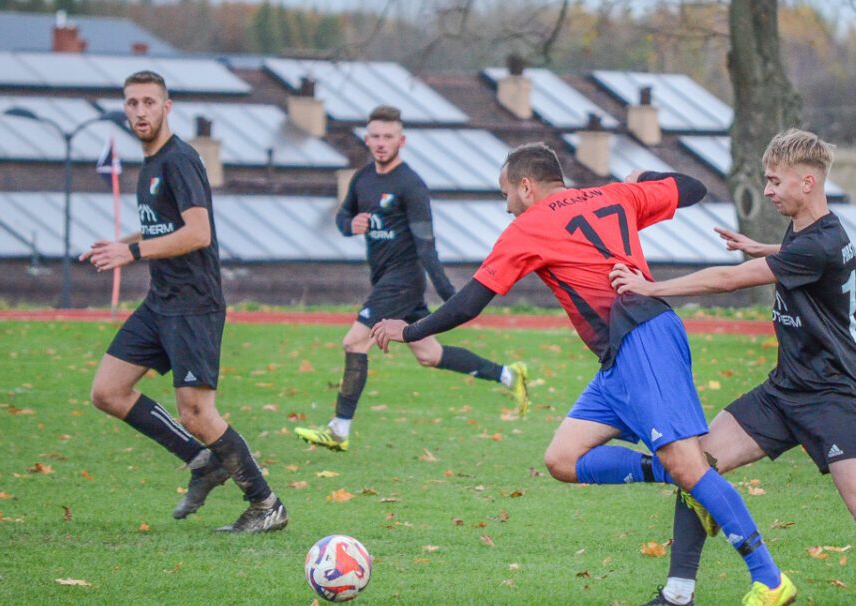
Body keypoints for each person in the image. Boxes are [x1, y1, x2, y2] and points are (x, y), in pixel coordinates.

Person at [371, 142, 796, 606]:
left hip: (642, 339)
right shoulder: (616, 194)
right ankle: (680, 479)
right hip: (621, 353)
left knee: (689, 466)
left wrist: (410, 330)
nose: (506, 206)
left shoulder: (529, 225)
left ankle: (769, 579)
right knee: (563, 459)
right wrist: (643, 178)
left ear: (526, 186)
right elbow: (693, 188)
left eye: (506, 193)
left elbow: (471, 301)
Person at [609, 128, 856, 606]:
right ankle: (677, 596)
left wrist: (650, 288)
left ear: (808, 182)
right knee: (695, 467)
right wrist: (763, 247)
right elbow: (799, 258)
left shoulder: (817, 244)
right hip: (783, 390)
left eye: (776, 182)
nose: (768, 191)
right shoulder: (811, 232)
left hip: (830, 396)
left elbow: (729, 281)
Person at [80, 70, 287, 533]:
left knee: (197, 413)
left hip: (194, 304)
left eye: (149, 102)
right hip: (160, 302)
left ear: (166, 107)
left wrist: (132, 253)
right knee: (108, 391)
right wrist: (119, 244)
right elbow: (163, 225)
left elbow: (198, 233)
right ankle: (202, 463)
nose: (140, 111)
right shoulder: (151, 164)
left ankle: (266, 504)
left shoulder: (179, 160)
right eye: (132, 103)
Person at [294, 105, 528, 452]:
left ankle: (339, 430)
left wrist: (450, 294)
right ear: (367, 139)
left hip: (402, 281)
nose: (381, 142)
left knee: (354, 342)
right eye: (375, 136)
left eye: (388, 136)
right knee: (430, 355)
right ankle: (509, 374)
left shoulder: (411, 184)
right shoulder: (362, 179)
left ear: (401, 141)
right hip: (385, 281)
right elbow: (343, 217)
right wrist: (350, 225)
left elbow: (426, 246)